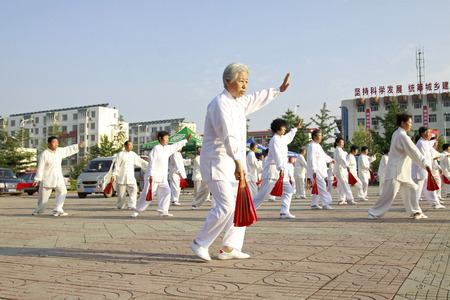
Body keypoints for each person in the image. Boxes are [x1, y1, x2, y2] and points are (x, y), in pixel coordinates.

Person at [190, 62, 291, 261]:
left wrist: (278, 90)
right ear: (227, 81)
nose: (245, 86)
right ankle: (199, 243)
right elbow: (227, 135)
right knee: (226, 206)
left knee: (240, 205)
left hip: (234, 164)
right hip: (217, 163)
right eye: (241, 81)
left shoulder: (238, 102)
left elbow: (257, 98)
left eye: (246, 81)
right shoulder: (219, 103)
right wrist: (238, 161)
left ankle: (230, 247)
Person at [368, 114, 430, 220]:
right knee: (388, 195)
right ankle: (373, 212)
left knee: (413, 188)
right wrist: (425, 164)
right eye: (409, 123)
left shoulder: (397, 134)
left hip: (402, 172)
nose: (411, 125)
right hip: (395, 172)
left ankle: (415, 212)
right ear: (403, 123)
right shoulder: (402, 136)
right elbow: (414, 151)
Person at [131, 131, 191, 218]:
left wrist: (186, 140)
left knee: (167, 192)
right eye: (166, 138)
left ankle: (163, 211)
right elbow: (152, 162)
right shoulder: (156, 149)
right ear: (160, 138)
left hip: (162, 178)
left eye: (168, 138)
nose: (167, 140)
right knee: (147, 194)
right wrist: (151, 174)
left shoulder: (167, 148)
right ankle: (137, 211)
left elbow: (176, 146)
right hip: (153, 176)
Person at [253, 118, 302, 219]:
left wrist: (295, 128)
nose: (284, 130)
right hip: (273, 172)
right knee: (263, 195)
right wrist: (281, 168)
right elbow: (277, 155)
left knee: (288, 190)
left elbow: (289, 136)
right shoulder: (274, 140)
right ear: (277, 129)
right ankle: (247, 210)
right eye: (283, 128)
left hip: (280, 172)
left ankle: (284, 211)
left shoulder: (282, 139)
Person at [32, 137, 85, 216]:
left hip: (58, 177)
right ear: (49, 144)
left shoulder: (59, 151)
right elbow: (40, 167)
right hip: (47, 178)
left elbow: (67, 150)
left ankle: (58, 209)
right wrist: (37, 179)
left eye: (57, 142)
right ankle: (38, 210)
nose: (56, 144)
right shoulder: (44, 154)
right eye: (54, 142)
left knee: (63, 192)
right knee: (43, 198)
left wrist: (77, 146)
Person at [411, 127, 443, 209]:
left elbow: (430, 144)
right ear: (423, 134)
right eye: (429, 132)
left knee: (429, 188)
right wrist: (427, 166)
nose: (430, 134)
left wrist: (435, 140)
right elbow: (422, 157)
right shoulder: (421, 143)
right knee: (417, 190)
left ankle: (435, 203)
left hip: (425, 170)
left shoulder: (425, 142)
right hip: (420, 170)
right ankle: (414, 207)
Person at [111, 140, 148, 210]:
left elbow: (140, 161)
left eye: (131, 145)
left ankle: (131, 205)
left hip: (130, 176)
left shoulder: (133, 154)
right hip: (121, 177)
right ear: (125, 146)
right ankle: (120, 205)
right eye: (129, 145)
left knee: (134, 190)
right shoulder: (120, 154)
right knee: (121, 194)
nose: (130, 147)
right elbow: (117, 165)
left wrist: (149, 165)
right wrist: (114, 175)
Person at [306, 129, 334, 210]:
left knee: (318, 187)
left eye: (321, 135)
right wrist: (314, 170)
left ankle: (314, 204)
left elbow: (324, 156)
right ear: (314, 137)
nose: (321, 137)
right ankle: (325, 203)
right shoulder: (312, 146)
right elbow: (312, 159)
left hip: (320, 170)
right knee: (322, 186)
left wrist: (330, 159)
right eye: (319, 136)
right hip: (317, 170)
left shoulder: (318, 146)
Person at [333, 137, 356, 205]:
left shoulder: (339, 150)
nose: (342, 144)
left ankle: (341, 199)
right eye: (341, 142)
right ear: (337, 143)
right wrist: (346, 166)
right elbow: (341, 159)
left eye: (343, 142)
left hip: (340, 169)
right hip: (341, 170)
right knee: (345, 184)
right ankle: (350, 199)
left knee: (340, 185)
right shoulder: (338, 150)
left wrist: (345, 153)